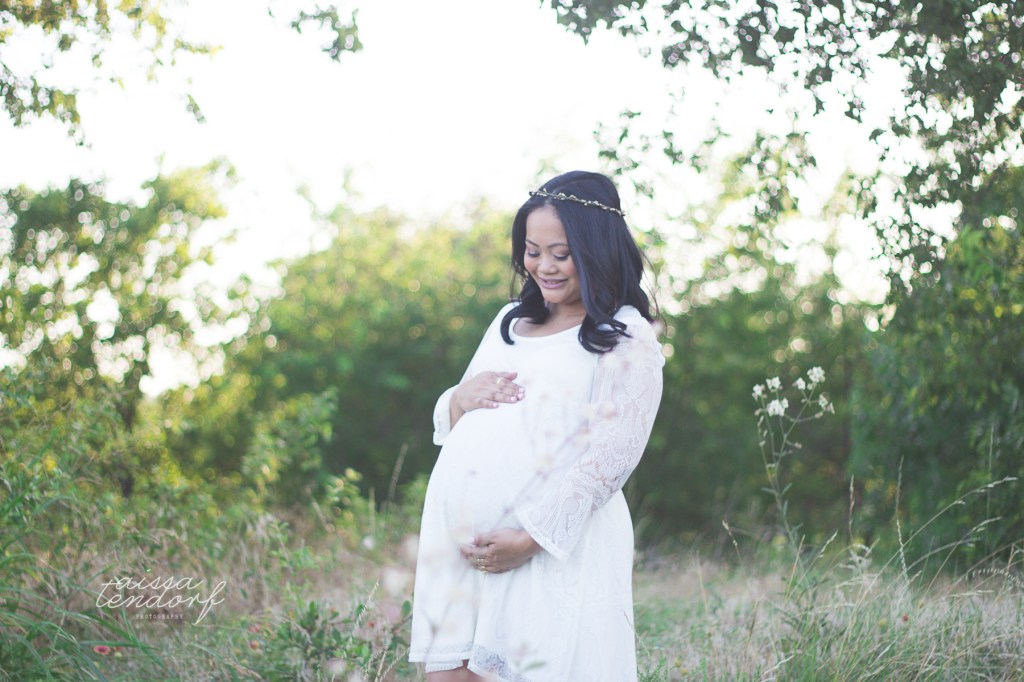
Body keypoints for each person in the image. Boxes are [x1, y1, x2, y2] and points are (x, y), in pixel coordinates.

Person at [408, 170, 664, 681]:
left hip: (550, 545)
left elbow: (613, 456)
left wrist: (531, 537)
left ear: (595, 250)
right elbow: (455, 416)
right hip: (458, 540)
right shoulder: (508, 321)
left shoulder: (626, 335)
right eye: (532, 250)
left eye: (560, 253)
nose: (542, 266)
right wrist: (458, 397)